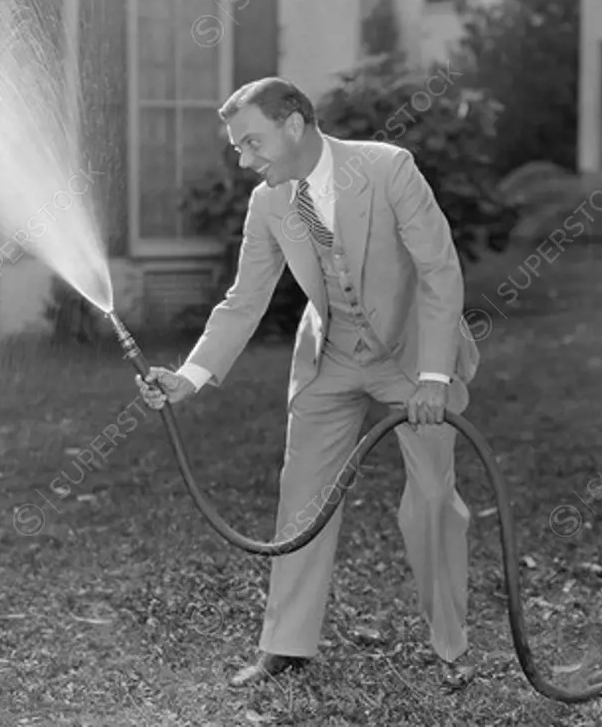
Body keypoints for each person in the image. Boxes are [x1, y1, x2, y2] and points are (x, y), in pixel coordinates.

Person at [136, 77, 479, 687]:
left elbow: (438, 270)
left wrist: (433, 375)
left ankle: (450, 643)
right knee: (302, 496)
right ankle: (287, 645)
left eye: (251, 142)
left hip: (412, 355)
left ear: (294, 124)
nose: (244, 159)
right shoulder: (269, 204)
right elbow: (244, 300)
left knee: (430, 497)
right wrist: (188, 377)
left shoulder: (387, 170)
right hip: (332, 357)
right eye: (238, 147)